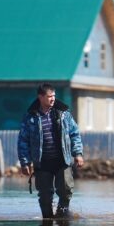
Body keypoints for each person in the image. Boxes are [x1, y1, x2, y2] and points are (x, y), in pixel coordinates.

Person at [18, 83, 84, 218]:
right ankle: (47, 220)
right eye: (49, 96)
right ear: (40, 97)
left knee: (66, 191)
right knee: (45, 196)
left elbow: (74, 134)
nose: (53, 99)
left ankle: (62, 215)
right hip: (42, 163)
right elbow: (23, 141)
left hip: (62, 160)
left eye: (54, 96)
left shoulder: (64, 114)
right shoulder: (30, 117)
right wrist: (25, 163)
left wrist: (77, 153)